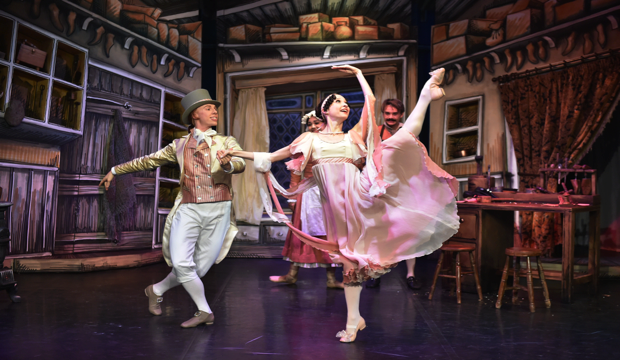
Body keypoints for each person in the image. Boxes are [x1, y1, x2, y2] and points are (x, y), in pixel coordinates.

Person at [218, 65, 459, 342]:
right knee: (349, 261)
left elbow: (369, 103)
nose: (345, 106)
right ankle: (354, 319)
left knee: (397, 143)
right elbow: (271, 156)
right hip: (336, 209)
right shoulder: (309, 139)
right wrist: (235, 152)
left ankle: (426, 95)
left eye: (346, 103)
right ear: (326, 110)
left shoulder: (352, 136)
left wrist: (358, 74)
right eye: (339, 102)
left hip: (359, 195)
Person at [99, 89, 245, 328]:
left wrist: (229, 165)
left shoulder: (226, 141)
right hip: (188, 208)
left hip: (219, 209)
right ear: (194, 114)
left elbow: (239, 164)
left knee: (199, 268)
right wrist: (115, 170)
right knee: (181, 262)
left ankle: (155, 290)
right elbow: (146, 160)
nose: (214, 111)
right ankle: (204, 310)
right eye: (208, 108)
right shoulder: (179, 145)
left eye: (215, 108)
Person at [269, 110, 343, 289]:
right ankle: (292, 274)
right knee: (301, 235)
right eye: (310, 124)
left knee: (330, 237)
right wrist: (293, 197)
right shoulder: (305, 144)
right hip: (308, 193)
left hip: (330, 194)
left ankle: (332, 279)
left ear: (326, 124)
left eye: (317, 123)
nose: (313, 127)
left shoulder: (336, 144)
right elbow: (295, 171)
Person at [366, 98, 421, 290]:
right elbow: (369, 157)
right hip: (381, 187)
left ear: (401, 115)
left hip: (404, 187)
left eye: (394, 114)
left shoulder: (408, 132)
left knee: (408, 230)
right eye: (387, 113)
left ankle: (411, 274)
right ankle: (377, 272)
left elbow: (418, 157)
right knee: (380, 231)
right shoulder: (377, 132)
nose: (390, 117)